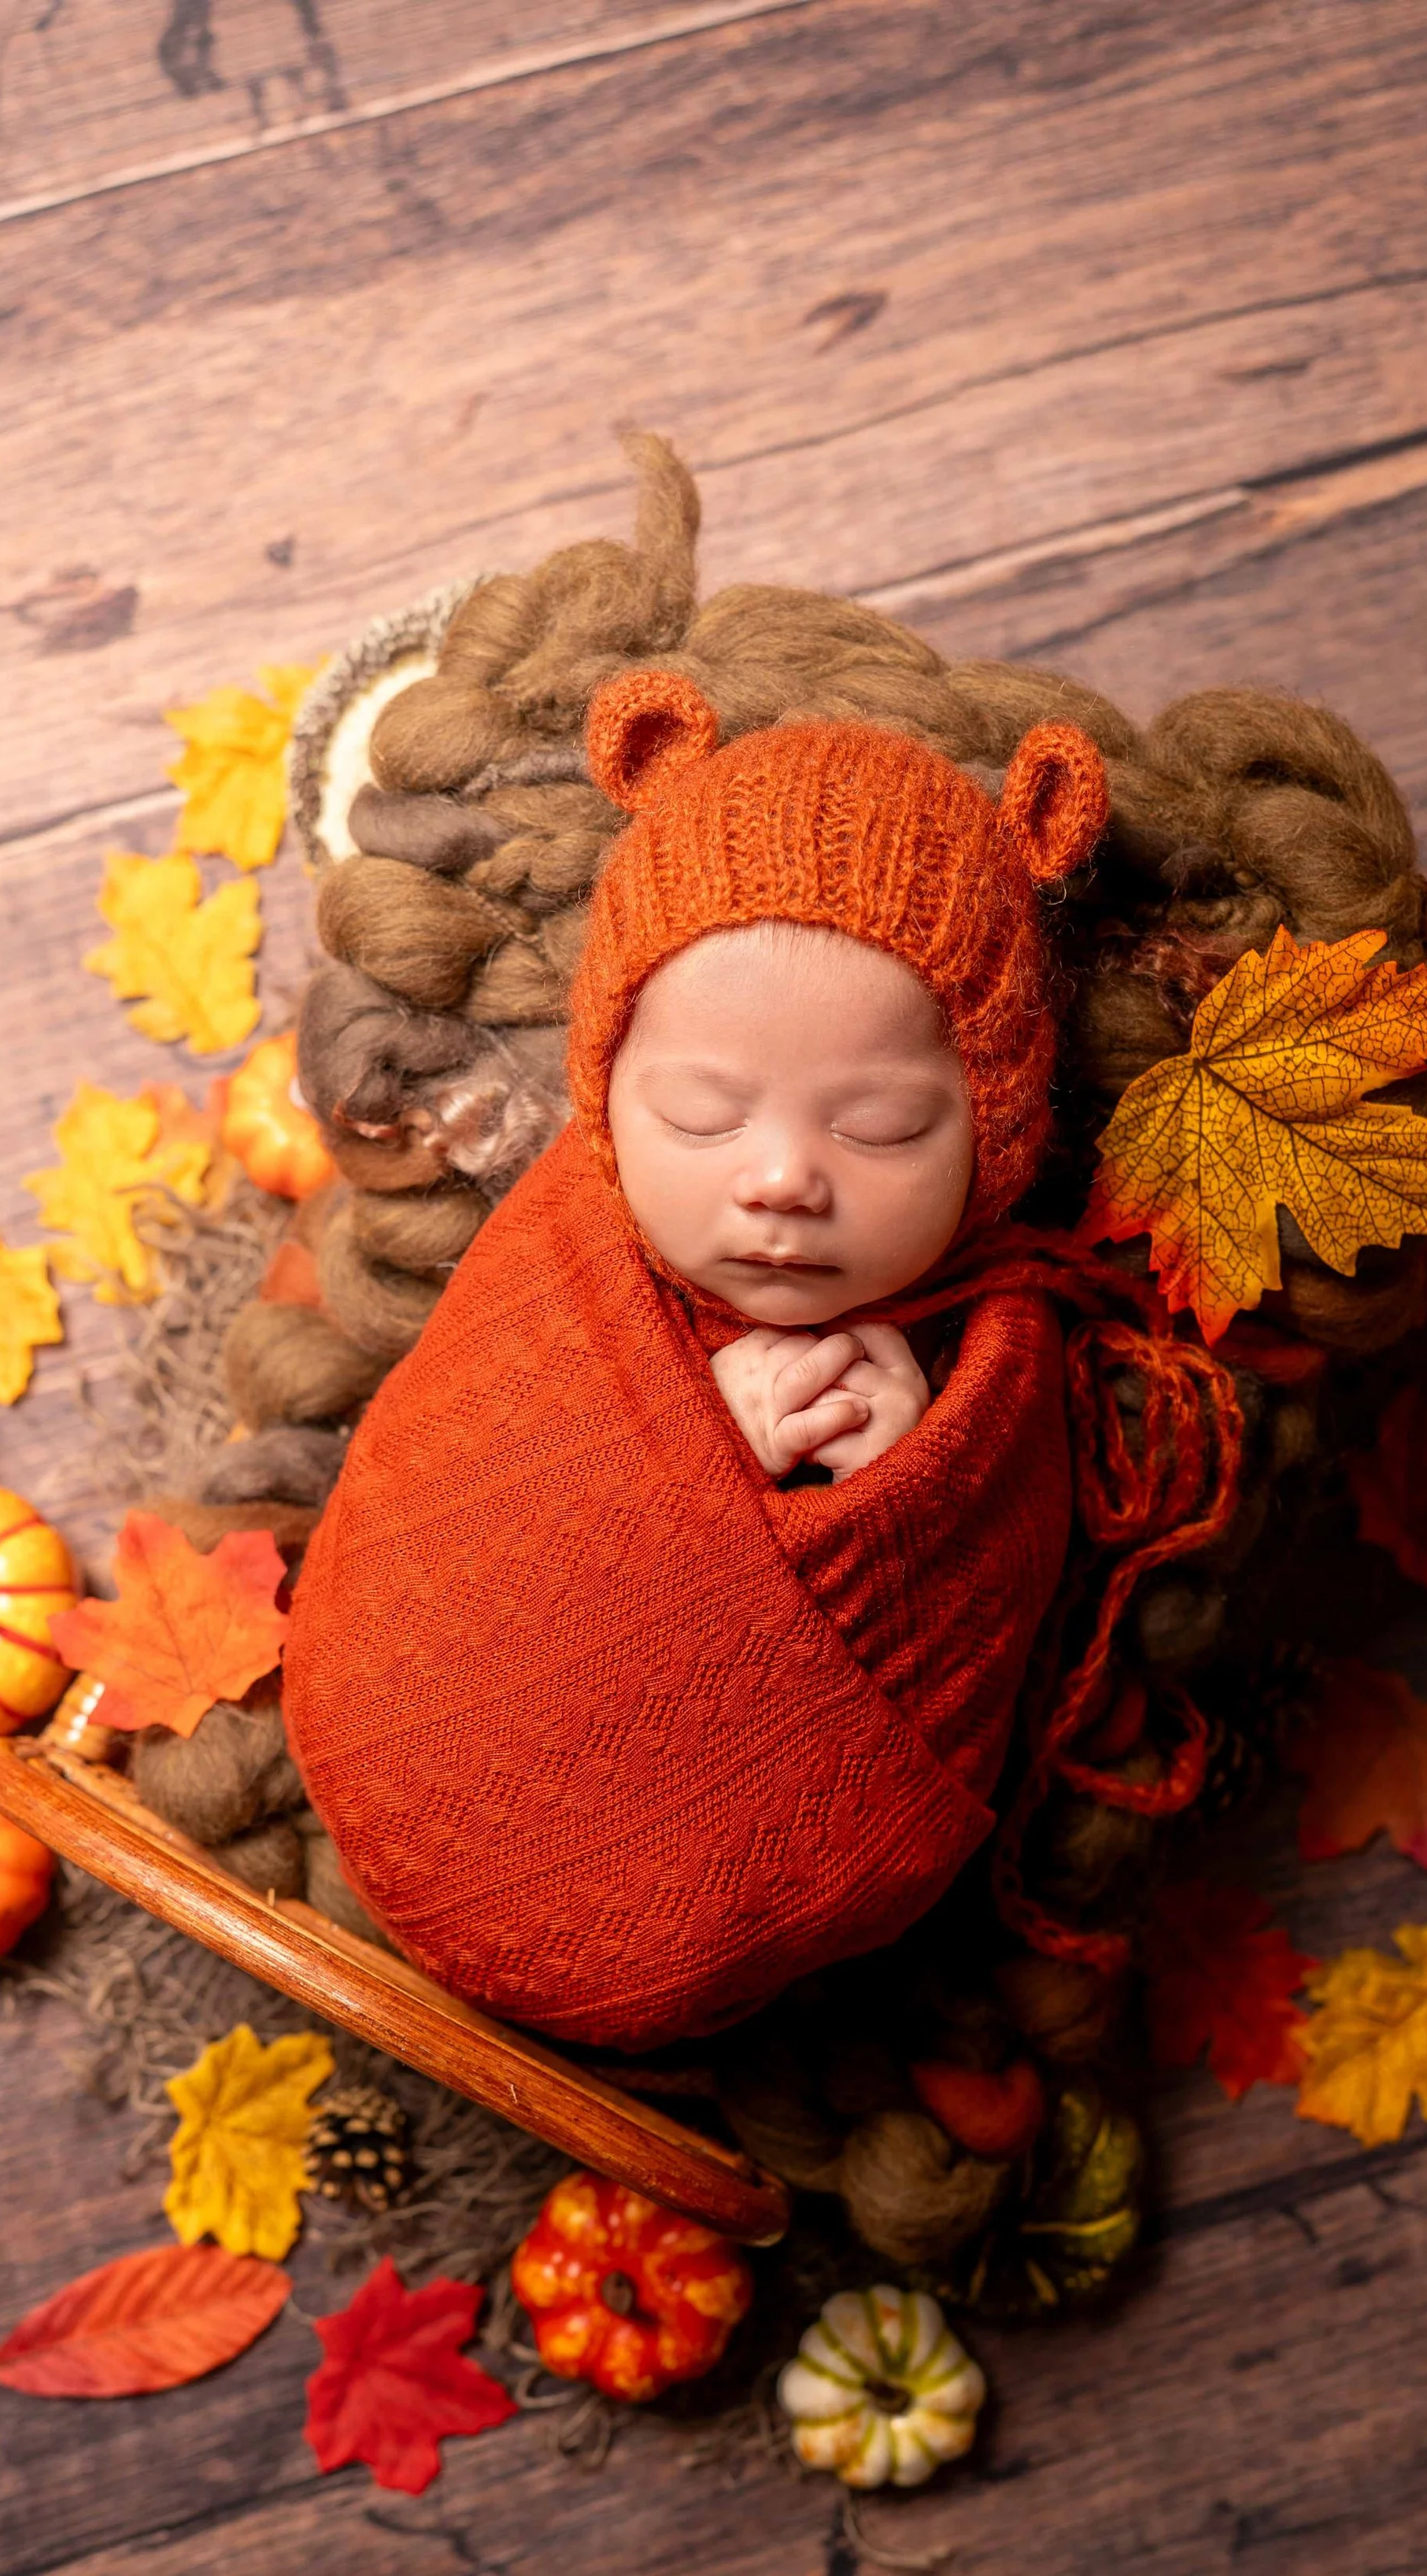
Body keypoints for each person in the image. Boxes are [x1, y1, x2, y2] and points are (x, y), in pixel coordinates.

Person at [283, 667, 1112, 2046]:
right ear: (608, 1087)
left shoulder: (999, 1350)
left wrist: (898, 1484)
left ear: (999, 1123)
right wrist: (686, 1439)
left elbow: (988, 1592)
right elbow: (464, 1454)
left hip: (731, 1903)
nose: (781, 1178)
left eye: (883, 1129)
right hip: (393, 1717)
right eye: (702, 1114)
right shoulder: (568, 1249)